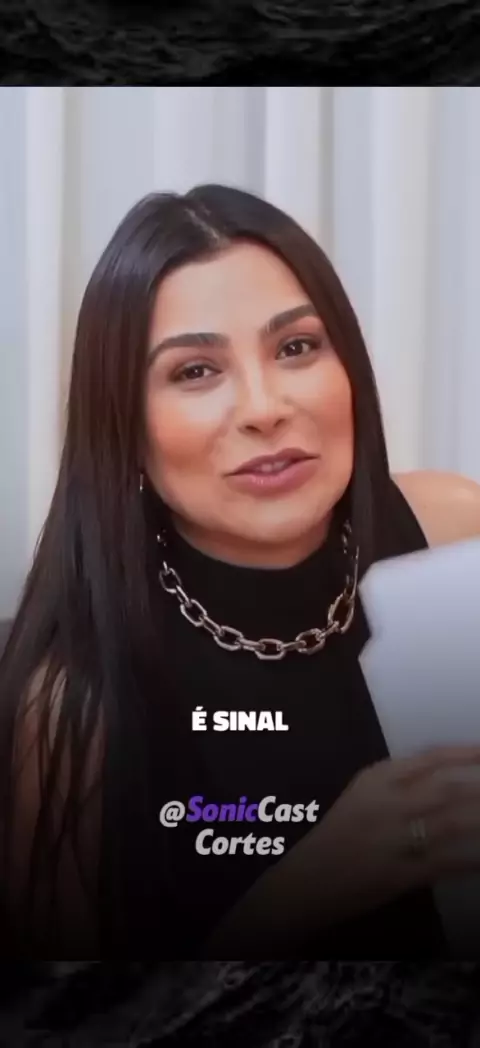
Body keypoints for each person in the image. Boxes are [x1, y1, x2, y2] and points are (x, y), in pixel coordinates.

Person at [1, 182, 480, 964]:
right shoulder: (69, 709)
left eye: (296, 348)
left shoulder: (453, 534)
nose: (264, 407)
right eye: (195, 370)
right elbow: (69, 1014)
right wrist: (312, 886)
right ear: (125, 425)